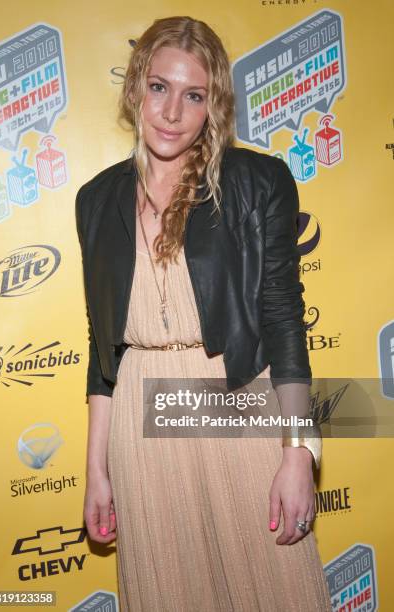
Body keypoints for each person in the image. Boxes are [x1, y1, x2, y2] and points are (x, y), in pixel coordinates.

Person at [76, 15, 332, 612]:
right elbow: (102, 353)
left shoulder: (257, 181)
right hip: (141, 421)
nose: (171, 112)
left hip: (238, 399)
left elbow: (284, 321)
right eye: (159, 87)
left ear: (212, 106)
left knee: (277, 590)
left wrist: (299, 453)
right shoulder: (96, 200)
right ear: (136, 85)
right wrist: (98, 469)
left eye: (193, 96)